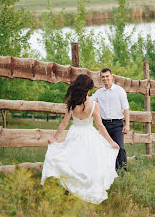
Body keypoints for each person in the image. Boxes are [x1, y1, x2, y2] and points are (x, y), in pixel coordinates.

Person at [41, 74, 119, 204]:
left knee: (74, 162)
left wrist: (54, 138)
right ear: (88, 89)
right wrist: (111, 142)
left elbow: (64, 123)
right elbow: (100, 126)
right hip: (89, 134)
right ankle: (86, 188)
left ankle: (74, 189)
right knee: (89, 164)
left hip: (75, 134)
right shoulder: (94, 105)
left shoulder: (71, 104)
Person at [91, 68, 130, 171]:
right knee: (105, 148)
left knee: (119, 147)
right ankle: (109, 172)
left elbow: (126, 108)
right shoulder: (99, 92)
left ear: (112, 77)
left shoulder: (119, 91)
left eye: (107, 76)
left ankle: (122, 172)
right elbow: (89, 102)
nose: (105, 78)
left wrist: (127, 125)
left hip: (117, 124)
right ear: (101, 78)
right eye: (103, 77)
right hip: (104, 125)